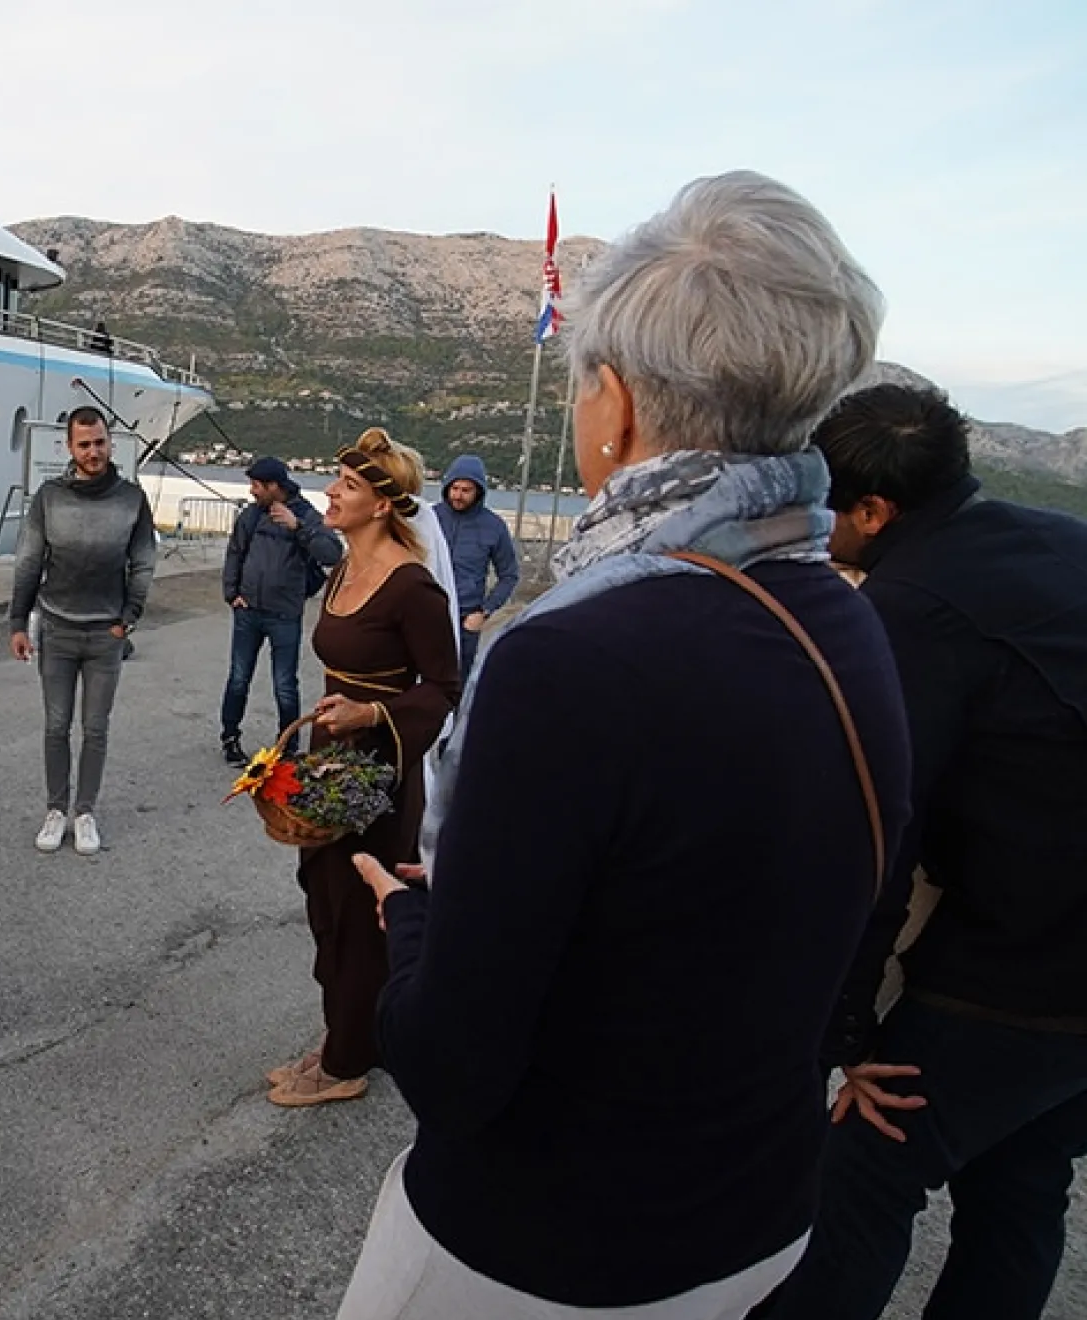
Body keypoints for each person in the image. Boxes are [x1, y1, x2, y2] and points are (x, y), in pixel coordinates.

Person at [335, 171, 910, 1320]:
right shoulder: (840, 613)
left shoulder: (572, 657)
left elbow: (454, 1065)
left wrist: (406, 921)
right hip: (750, 1217)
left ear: (616, 405)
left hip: (545, 1246)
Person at [761, 383, 1087, 1320]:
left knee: (863, 1173)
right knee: (1022, 1182)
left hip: (1025, 963)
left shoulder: (912, 608)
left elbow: (878, 832)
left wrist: (845, 1037)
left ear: (872, 510)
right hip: (1061, 947)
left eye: (825, 505)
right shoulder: (1057, 540)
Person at [266, 428, 459, 1109]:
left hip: (377, 773)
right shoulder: (345, 567)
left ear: (381, 505)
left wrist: (373, 717)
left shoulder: (414, 591)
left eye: (346, 486)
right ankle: (347, 1033)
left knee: (354, 916)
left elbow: (444, 689)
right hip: (329, 760)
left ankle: (346, 1061)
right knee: (322, 898)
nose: (330, 493)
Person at [8, 405, 156, 856]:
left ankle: (85, 812)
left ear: (110, 443)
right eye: (84, 444)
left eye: (100, 442)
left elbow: (144, 561)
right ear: (69, 447)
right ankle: (56, 810)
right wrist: (18, 621)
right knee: (56, 726)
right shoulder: (49, 497)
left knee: (95, 728)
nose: (93, 451)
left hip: (104, 636)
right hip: (56, 630)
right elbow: (29, 560)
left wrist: (128, 617)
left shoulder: (132, 498)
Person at [219, 454, 341, 766]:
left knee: (285, 683)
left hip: (285, 614)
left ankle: (287, 744)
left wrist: (297, 526)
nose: (252, 492)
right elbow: (235, 552)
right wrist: (232, 593)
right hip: (248, 611)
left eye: (257, 486)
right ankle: (230, 738)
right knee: (238, 677)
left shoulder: (307, 515)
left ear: (275, 486)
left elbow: (331, 553)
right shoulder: (251, 515)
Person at [431, 454, 520, 678]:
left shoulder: (494, 527)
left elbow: (509, 575)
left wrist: (485, 611)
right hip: (427, 613)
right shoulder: (430, 518)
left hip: (465, 621)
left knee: (457, 685)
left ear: (478, 491)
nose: (458, 495)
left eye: (466, 490)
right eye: (455, 488)